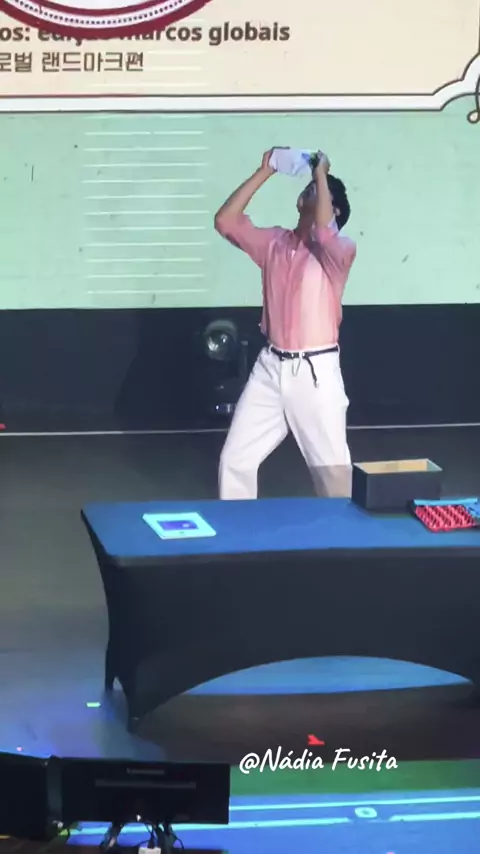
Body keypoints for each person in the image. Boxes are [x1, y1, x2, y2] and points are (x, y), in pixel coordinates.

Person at [214, 148, 356, 500]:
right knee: (235, 460)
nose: (309, 189)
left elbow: (323, 233)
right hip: (271, 366)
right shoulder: (274, 243)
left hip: (315, 372)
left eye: (317, 190)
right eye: (309, 186)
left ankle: (341, 531)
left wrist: (321, 173)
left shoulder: (338, 251)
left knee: (332, 472)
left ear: (334, 210)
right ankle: (237, 529)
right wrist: (265, 170)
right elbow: (226, 221)